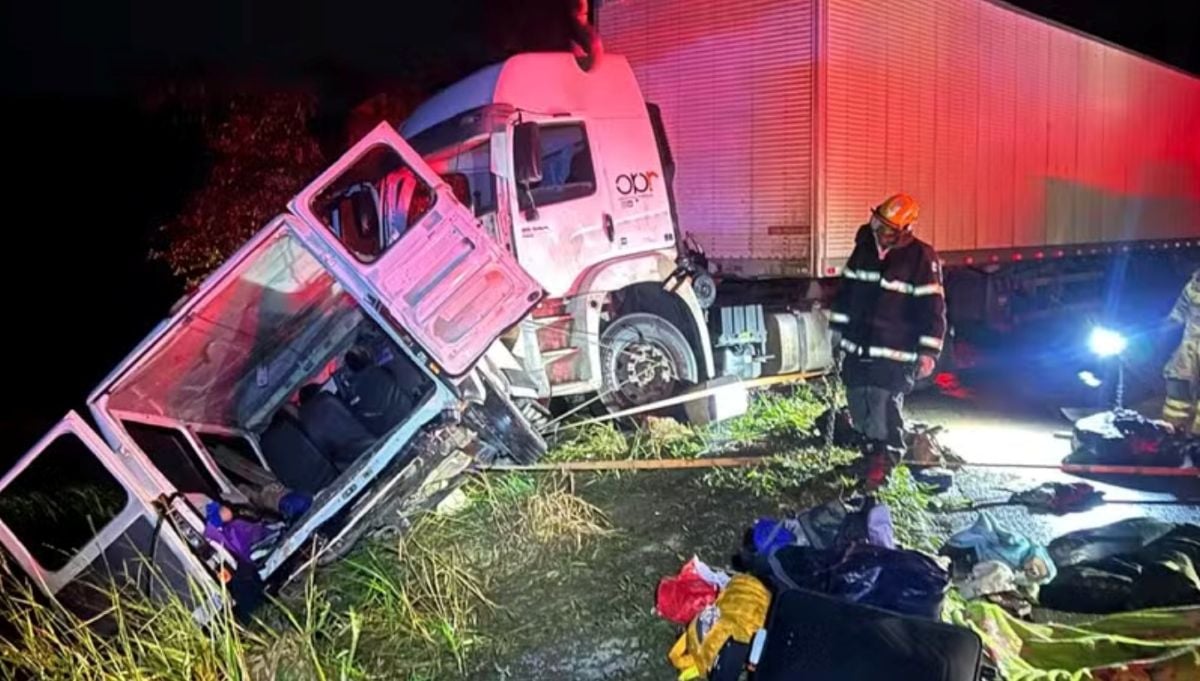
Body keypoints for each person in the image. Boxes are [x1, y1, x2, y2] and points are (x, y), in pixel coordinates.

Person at [829, 193, 946, 479]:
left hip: (894, 352)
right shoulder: (864, 250)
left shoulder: (921, 257)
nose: (878, 231)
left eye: (886, 228)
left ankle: (884, 465)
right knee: (859, 405)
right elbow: (846, 293)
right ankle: (869, 458)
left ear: (903, 230)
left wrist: (928, 353)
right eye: (877, 223)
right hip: (858, 349)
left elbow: (932, 308)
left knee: (884, 409)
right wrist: (837, 332)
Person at [1161, 269, 1200, 433]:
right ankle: (1170, 437)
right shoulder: (1194, 285)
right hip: (1187, 355)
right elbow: (1178, 314)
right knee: (1176, 398)